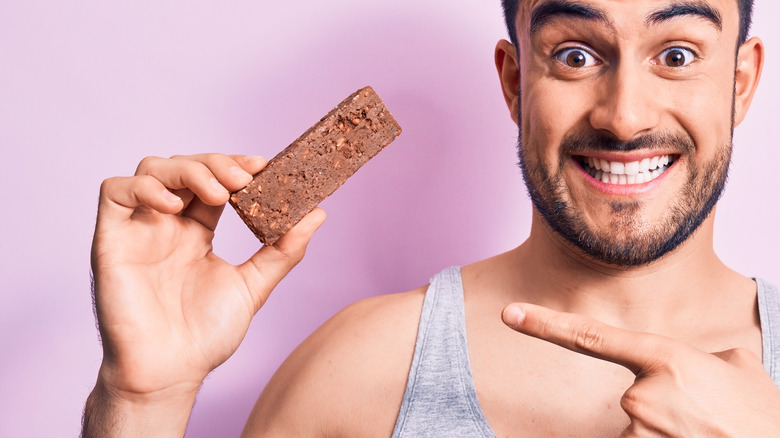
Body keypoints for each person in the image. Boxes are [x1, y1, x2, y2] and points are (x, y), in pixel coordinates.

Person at [82, 0, 780, 436]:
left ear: (740, 83)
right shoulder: (355, 370)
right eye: (574, 54)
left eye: (678, 54)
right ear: (515, 82)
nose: (625, 115)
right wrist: (142, 398)